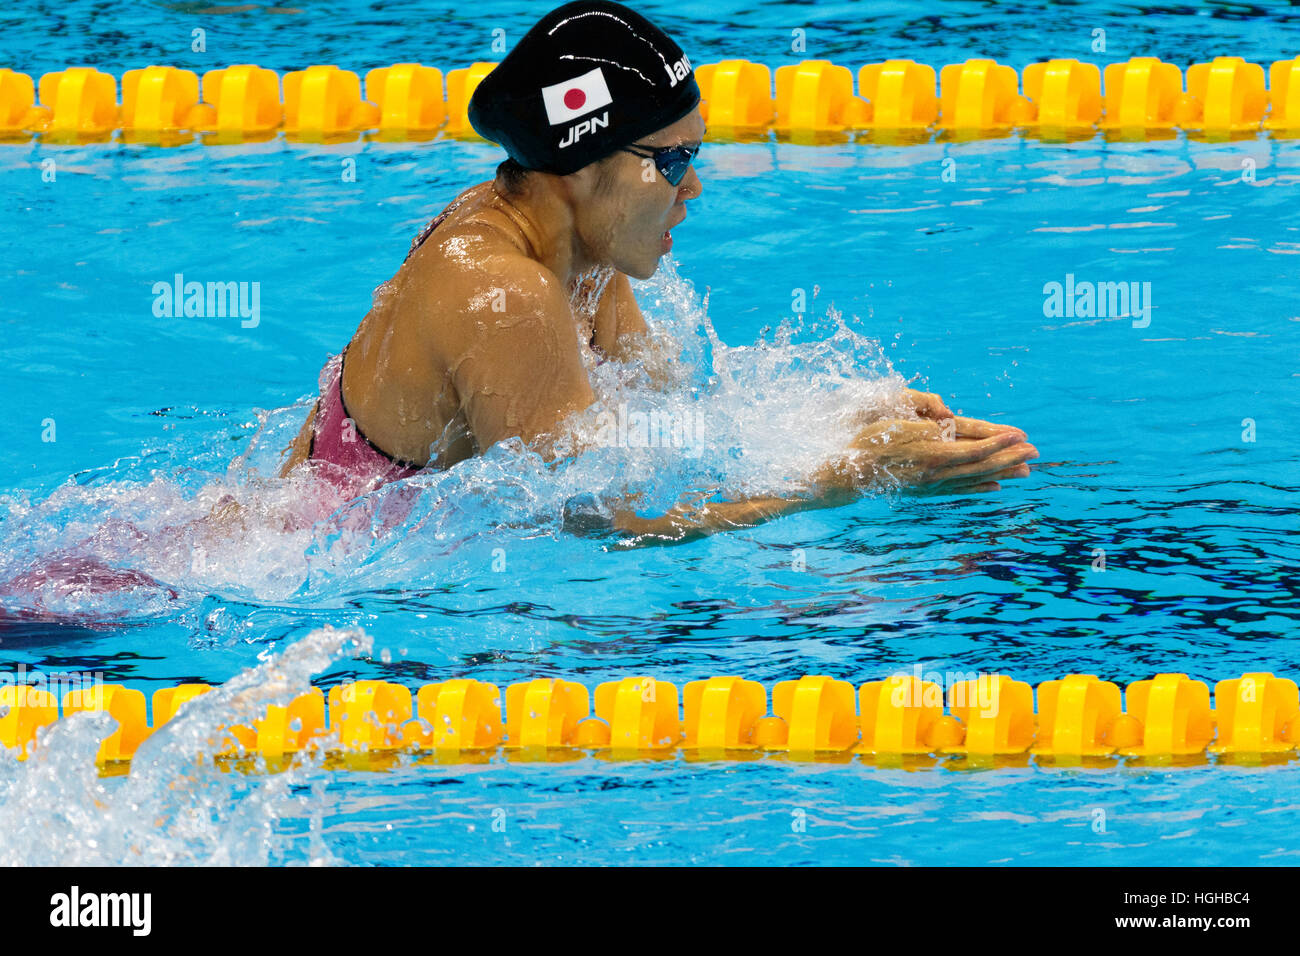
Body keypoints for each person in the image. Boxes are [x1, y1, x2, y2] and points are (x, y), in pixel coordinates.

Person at [278, 0, 1037, 541]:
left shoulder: (569, 243)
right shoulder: (504, 291)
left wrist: (846, 424)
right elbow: (604, 523)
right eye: (673, 161)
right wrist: (837, 482)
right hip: (308, 570)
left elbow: (664, 419)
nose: (694, 188)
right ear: (579, 166)